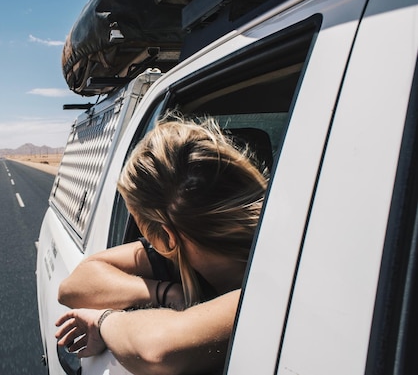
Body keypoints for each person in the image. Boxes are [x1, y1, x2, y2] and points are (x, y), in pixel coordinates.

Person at [55, 113, 269, 375]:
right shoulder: (285, 246)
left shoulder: (265, 289)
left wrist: (102, 321)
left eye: (139, 223)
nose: (145, 242)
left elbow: (156, 351)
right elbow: (73, 286)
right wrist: (165, 292)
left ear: (168, 238)